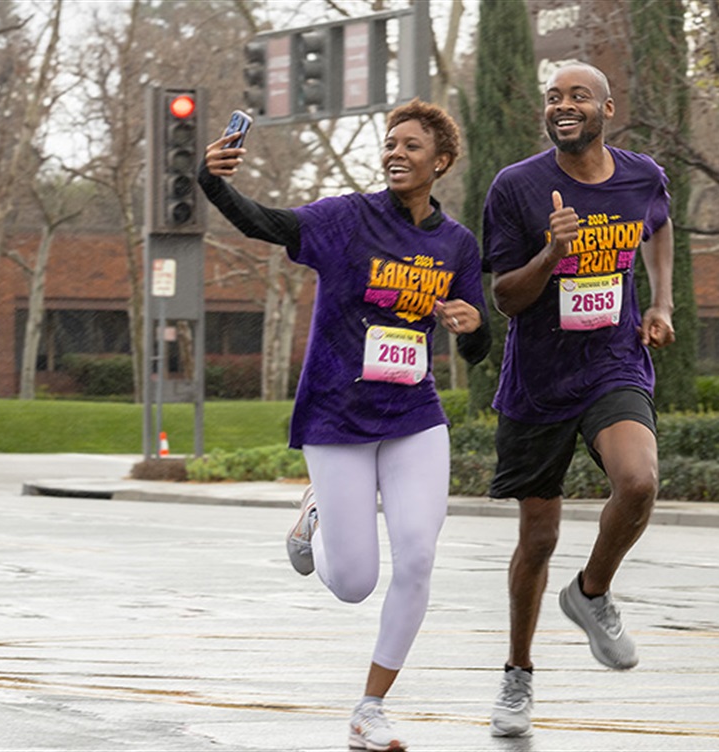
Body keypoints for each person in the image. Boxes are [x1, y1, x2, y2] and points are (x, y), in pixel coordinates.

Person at [199, 99, 489, 752]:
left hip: (414, 416)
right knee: (355, 583)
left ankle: (370, 708)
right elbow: (265, 223)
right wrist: (214, 182)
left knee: (417, 555)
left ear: (440, 162)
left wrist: (472, 330)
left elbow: (476, 345)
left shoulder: (455, 244)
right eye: (389, 143)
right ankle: (318, 514)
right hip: (337, 415)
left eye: (411, 146)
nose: (396, 153)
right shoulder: (345, 219)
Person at [480, 61, 675, 738]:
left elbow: (660, 224)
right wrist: (550, 258)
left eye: (578, 96)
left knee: (639, 480)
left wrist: (662, 300)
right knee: (537, 539)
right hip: (538, 380)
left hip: (613, 362)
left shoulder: (642, 176)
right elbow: (504, 296)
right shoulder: (517, 187)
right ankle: (517, 675)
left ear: (606, 109)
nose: (564, 105)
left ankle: (591, 592)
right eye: (555, 97)